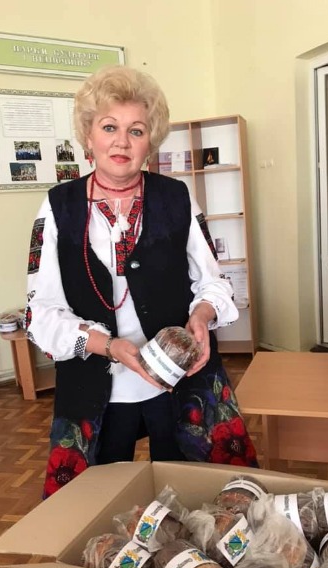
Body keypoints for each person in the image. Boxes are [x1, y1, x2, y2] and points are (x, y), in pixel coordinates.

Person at [25, 65, 258, 498]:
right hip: (97, 382)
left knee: (198, 491)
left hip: (180, 374)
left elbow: (213, 280)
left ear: (150, 141)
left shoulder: (176, 196)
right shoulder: (59, 206)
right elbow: (40, 311)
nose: (122, 141)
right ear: (88, 135)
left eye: (136, 130)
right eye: (109, 127)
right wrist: (108, 345)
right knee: (97, 501)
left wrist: (203, 315)